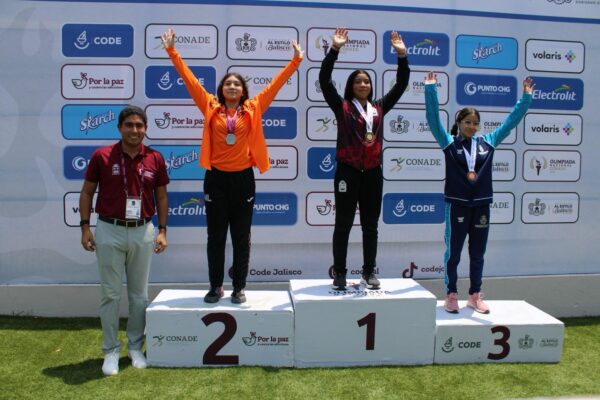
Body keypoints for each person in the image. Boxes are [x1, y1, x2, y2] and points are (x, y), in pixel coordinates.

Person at [161, 28, 303, 304]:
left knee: (241, 236)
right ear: (221, 89)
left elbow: (275, 84)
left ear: (243, 91)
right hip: (215, 179)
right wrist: (172, 51)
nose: (232, 87)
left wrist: (295, 61)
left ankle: (239, 287)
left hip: (243, 180)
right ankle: (216, 286)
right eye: (228, 84)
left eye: (237, 84)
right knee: (215, 236)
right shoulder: (210, 106)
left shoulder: (254, 107)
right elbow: (189, 80)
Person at [424, 72, 534, 314]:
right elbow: (432, 119)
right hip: (457, 205)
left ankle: (474, 295)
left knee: (478, 254)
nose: (471, 126)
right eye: (467, 122)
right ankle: (451, 294)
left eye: (475, 123)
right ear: (459, 122)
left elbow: (511, 122)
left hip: (481, 205)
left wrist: (525, 98)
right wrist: (430, 90)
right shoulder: (449, 143)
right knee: (453, 254)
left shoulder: (489, 142)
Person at [79, 106, 169, 376]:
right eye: (129, 125)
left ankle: (135, 347)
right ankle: (110, 351)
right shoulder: (102, 156)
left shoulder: (154, 158)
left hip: (143, 230)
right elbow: (87, 193)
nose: (134, 130)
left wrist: (162, 230)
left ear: (145, 129)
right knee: (110, 294)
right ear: (119, 127)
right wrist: (85, 227)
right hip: (109, 229)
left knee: (139, 295)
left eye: (139, 125)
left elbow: (161, 196)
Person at [319, 28, 410, 290]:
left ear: (371, 86)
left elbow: (401, 85)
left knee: (370, 226)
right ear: (351, 86)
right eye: (358, 81)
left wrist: (402, 56)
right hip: (347, 172)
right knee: (343, 225)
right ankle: (339, 273)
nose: (363, 85)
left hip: (372, 172)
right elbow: (325, 81)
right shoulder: (343, 107)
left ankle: (369, 272)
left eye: (366, 82)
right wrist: (334, 50)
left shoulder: (379, 107)